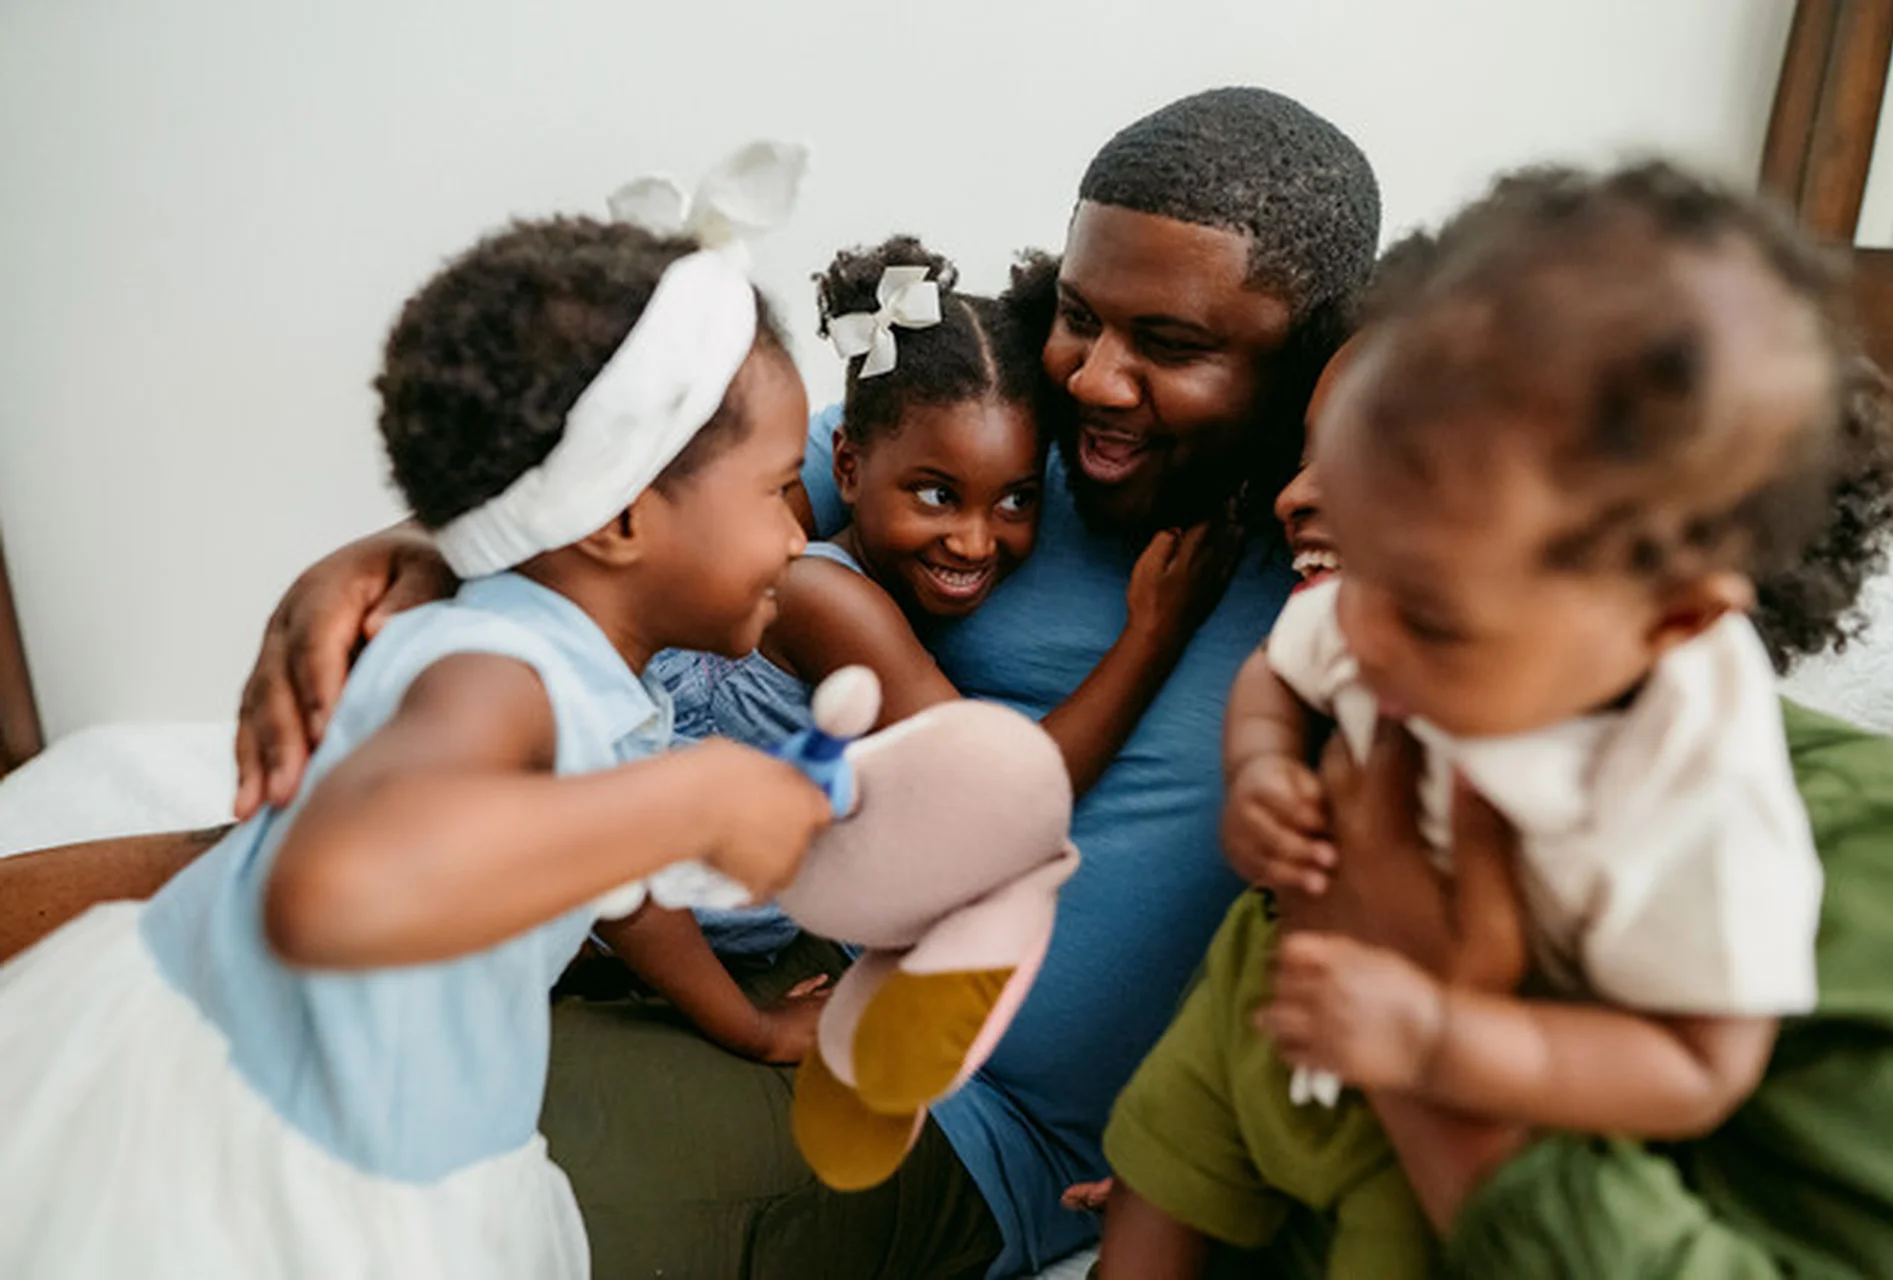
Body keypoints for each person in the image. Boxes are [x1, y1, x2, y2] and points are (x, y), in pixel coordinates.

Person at [0, 87, 1383, 1278]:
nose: (1101, 377)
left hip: (935, 1099)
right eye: (1082, 313)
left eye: (1176, 348)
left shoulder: (1344, 571)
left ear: (1313, 357)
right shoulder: (997, 435)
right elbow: (646, 492)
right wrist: (397, 550)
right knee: (251, 900)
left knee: (321, 1160)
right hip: (691, 914)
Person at [1100, 165, 1893, 1280]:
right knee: (1157, 1152)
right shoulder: (1399, 612)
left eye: (1430, 612)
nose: (1367, 636)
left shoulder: (1759, 824)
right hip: (1274, 980)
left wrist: (1438, 1045)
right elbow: (1284, 675)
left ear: (1674, 613)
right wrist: (1257, 778)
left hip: (1451, 1077)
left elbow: (1696, 1064)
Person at [0, 215, 835, 1276]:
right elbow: (329, 883)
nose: (799, 533)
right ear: (621, 517)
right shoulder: (497, 672)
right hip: (301, 1160)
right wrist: (699, 797)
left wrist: (749, 1025)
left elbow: (619, 884)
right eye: (776, 490)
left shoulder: (577, 669)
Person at [603, 236, 1230, 1066]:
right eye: (936, 495)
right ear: (849, 467)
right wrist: (1155, 634)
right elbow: (1007, 790)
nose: (974, 541)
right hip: (643, 902)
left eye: (1015, 499)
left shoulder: (809, 539)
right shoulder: (826, 599)